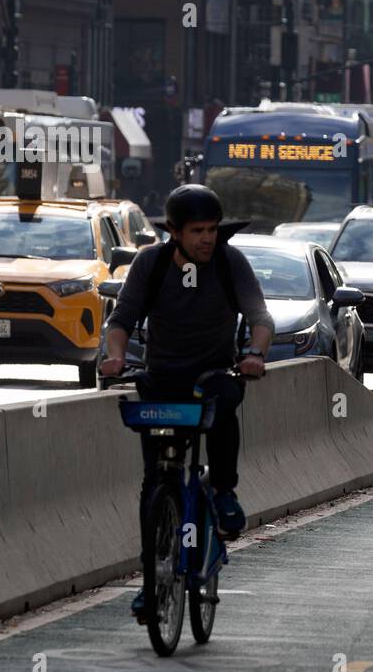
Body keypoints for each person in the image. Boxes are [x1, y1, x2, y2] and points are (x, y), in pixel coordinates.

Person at [101, 185, 276, 620]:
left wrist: (255, 354)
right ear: (174, 232)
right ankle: (151, 582)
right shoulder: (151, 263)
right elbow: (121, 320)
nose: (207, 239)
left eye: (212, 230)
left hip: (212, 375)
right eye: (197, 230)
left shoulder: (228, 262)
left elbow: (260, 316)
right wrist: (116, 356)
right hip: (161, 381)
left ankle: (223, 490)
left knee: (222, 399)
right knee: (154, 483)